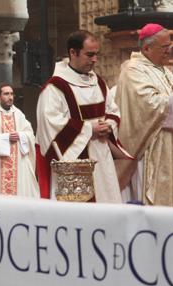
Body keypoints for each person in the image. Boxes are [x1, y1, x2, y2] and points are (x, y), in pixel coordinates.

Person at [36, 30, 132, 203]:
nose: (94, 59)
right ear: (73, 52)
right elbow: (49, 122)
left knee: (106, 203)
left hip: (102, 157)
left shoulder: (99, 83)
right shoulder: (56, 87)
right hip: (73, 163)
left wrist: (109, 126)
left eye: (96, 54)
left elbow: (112, 111)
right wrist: (89, 129)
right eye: (89, 54)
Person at [115, 23, 173, 207]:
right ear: (147, 48)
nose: (170, 50)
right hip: (150, 150)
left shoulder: (163, 70)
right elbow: (149, 105)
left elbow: (169, 101)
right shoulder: (133, 70)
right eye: (165, 47)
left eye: (170, 45)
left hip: (170, 147)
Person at [0, 84, 39, 197]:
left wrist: (21, 135)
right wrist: (5, 138)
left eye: (12, 94)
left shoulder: (18, 113)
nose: (10, 97)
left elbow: (30, 134)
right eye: (6, 94)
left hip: (19, 162)